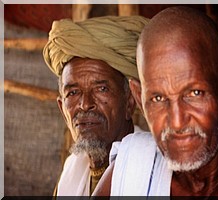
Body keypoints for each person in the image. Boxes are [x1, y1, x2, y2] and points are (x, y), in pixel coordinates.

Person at [94, 6, 218, 197]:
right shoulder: (130, 168)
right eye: (157, 98)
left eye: (194, 93)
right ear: (139, 98)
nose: (177, 122)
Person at [42, 15, 149, 196]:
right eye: (73, 93)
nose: (85, 105)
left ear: (130, 101)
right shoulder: (70, 173)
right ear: (62, 109)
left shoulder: (152, 168)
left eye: (101, 89)